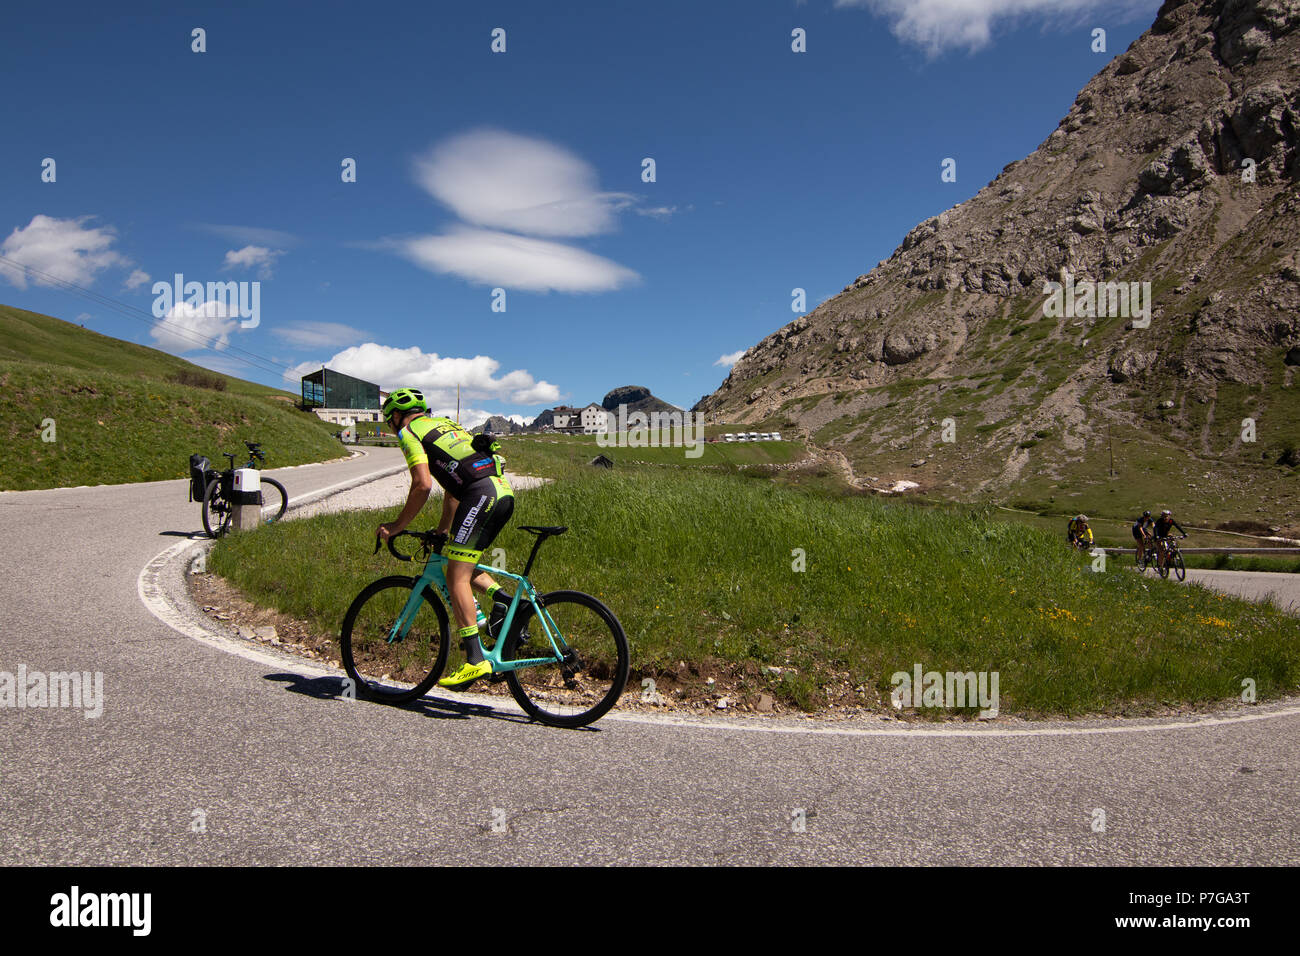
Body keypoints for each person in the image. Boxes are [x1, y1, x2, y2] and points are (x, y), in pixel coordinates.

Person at [376, 388, 514, 689]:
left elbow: (423, 485)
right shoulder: (446, 425)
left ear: (396, 416)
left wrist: (397, 525)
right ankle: (506, 603)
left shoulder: (410, 431)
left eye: (390, 419)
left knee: (455, 577)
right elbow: (453, 489)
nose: (391, 424)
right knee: (459, 560)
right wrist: (441, 530)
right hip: (501, 492)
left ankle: (475, 660)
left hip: (480, 495)